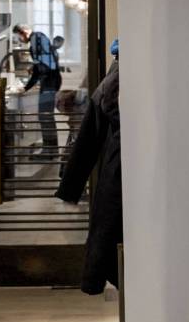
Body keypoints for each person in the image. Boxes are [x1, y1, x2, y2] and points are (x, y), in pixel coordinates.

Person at [56, 52, 120, 294]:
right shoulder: (120, 74)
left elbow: (90, 130)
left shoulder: (118, 73)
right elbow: (91, 130)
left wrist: (70, 187)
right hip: (121, 174)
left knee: (109, 239)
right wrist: (70, 187)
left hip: (119, 174)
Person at [14, 24, 62, 153]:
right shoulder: (40, 38)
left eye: (19, 36)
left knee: (45, 116)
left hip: (49, 82)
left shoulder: (36, 40)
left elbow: (39, 70)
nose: (20, 40)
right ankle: (52, 149)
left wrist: (26, 87)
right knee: (47, 116)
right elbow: (41, 65)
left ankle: (49, 150)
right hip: (52, 80)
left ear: (23, 32)